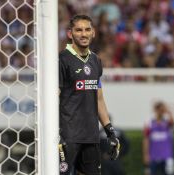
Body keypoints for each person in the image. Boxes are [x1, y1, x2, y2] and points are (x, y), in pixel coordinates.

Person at [59, 14, 120, 175]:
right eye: (78, 30)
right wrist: (54, 133)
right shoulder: (61, 60)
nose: (83, 34)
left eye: (87, 30)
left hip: (91, 137)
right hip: (67, 136)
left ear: (93, 32)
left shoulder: (95, 61)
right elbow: (53, 98)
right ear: (70, 33)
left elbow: (98, 98)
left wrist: (110, 131)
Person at [143, 101, 174, 175]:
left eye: (162, 110)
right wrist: (146, 155)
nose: (161, 112)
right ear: (155, 110)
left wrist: (169, 112)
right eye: (159, 109)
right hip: (153, 157)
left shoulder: (167, 121)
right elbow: (146, 139)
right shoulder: (149, 122)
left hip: (167, 157)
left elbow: (173, 123)